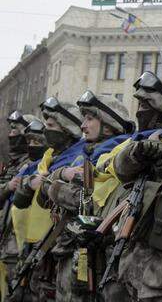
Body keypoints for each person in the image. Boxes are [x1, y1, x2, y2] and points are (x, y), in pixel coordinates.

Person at [38, 92, 133, 302]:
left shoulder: (118, 155)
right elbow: (43, 191)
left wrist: (54, 187)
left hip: (99, 259)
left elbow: (86, 200)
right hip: (74, 253)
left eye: (89, 119)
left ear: (108, 124)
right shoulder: (89, 154)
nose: (82, 126)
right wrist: (60, 176)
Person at [104, 72, 162, 302]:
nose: (140, 111)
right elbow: (117, 169)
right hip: (128, 265)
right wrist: (136, 153)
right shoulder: (136, 144)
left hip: (161, 274)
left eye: (145, 104)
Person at [11, 98, 84, 301]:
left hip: (56, 245)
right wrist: (31, 183)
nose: (46, 131)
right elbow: (20, 200)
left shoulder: (78, 158)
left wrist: (45, 181)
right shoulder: (48, 158)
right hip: (35, 243)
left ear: (67, 127)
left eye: (51, 126)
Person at [0, 112, 40, 292]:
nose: (11, 135)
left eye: (16, 131)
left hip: (17, 245)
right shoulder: (12, 165)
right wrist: (7, 187)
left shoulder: (32, 165)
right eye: (11, 131)